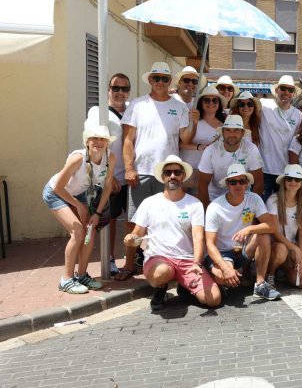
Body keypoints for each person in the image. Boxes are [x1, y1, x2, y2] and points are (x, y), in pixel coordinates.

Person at [119, 62, 191, 281]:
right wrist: (129, 168)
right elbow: (128, 140)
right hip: (141, 172)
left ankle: (166, 263)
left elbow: (185, 139)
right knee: (134, 222)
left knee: (166, 220)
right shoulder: (138, 105)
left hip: (168, 173)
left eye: (164, 78)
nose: (160, 82)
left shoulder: (180, 107)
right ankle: (130, 263)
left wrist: (193, 122)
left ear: (170, 82)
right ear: (150, 80)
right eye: (156, 78)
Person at [124, 155, 221, 310]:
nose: (172, 176)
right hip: (159, 259)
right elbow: (137, 232)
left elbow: (198, 237)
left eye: (177, 172)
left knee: (213, 300)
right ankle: (160, 289)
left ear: (183, 175)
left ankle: (185, 285)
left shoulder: (194, 203)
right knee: (162, 271)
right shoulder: (149, 203)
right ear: (163, 177)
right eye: (168, 173)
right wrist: (131, 238)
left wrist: (197, 263)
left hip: (187, 261)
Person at [43, 126, 116, 294]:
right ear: (87, 142)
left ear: (107, 143)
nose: (98, 142)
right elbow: (58, 188)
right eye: (94, 139)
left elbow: (107, 186)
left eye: (103, 139)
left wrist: (97, 213)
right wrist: (78, 205)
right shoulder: (78, 158)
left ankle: (82, 275)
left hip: (78, 194)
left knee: (90, 231)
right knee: (77, 231)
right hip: (56, 193)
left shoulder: (110, 157)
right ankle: (66, 280)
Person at [204, 164, 280, 301]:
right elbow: (209, 244)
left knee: (263, 234)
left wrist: (249, 229)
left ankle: (260, 284)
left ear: (247, 184)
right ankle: (216, 273)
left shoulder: (254, 198)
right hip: (223, 253)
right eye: (233, 182)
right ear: (227, 184)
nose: (238, 185)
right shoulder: (215, 207)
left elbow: (272, 226)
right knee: (223, 278)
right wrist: (224, 267)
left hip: (244, 249)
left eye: (242, 181)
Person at [84, 73, 130, 273]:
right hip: (111, 178)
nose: (120, 92)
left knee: (133, 219)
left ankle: (133, 258)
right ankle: (109, 260)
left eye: (124, 88)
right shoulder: (98, 111)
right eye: (116, 88)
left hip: (130, 174)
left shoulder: (132, 111)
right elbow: (94, 145)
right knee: (109, 221)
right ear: (108, 90)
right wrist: (108, 175)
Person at [197, 115, 264, 208]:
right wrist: (207, 209)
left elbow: (259, 182)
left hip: (243, 199)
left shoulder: (251, 149)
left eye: (236, 130)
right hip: (216, 199)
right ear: (223, 132)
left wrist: (251, 208)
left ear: (242, 133)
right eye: (228, 130)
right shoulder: (210, 151)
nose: (232, 134)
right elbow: (202, 184)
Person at [265, 164, 302, 291]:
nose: (293, 182)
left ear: (301, 183)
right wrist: (295, 249)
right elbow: (273, 231)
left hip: (291, 246)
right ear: (284, 181)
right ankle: (270, 275)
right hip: (277, 245)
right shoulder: (273, 201)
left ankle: (284, 269)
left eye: (297, 179)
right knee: (281, 250)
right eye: (289, 179)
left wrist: (299, 255)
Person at [258, 75, 302, 198]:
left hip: (286, 172)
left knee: (283, 210)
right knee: (261, 209)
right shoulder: (263, 105)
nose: (286, 92)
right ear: (277, 90)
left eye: (290, 90)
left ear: (293, 94)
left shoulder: (298, 115)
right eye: (283, 88)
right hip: (264, 170)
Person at [180, 86, 225, 190]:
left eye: (214, 100)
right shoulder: (191, 120)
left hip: (208, 172)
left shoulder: (224, 125)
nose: (211, 103)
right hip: (187, 170)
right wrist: (198, 147)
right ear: (201, 102)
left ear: (219, 104)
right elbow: (180, 144)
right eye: (207, 100)